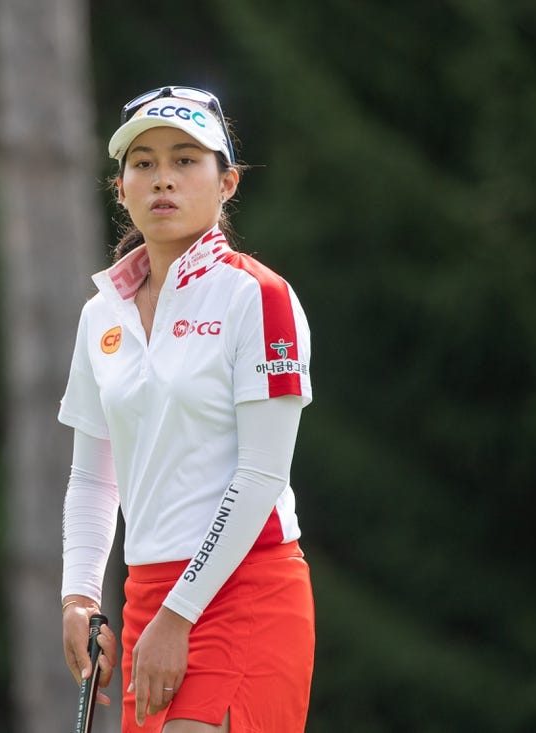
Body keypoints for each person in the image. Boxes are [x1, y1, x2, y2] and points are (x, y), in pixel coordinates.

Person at [58, 86, 315, 733]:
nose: (162, 178)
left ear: (226, 182)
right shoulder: (100, 316)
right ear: (121, 189)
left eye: (185, 160)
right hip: (147, 599)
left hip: (246, 592)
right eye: (142, 163)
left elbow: (260, 476)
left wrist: (180, 614)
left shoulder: (258, 297)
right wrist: (80, 594)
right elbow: (93, 475)